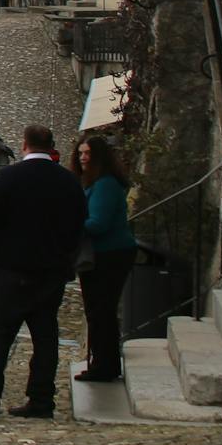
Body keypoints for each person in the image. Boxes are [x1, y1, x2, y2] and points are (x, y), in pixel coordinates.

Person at [0, 124, 87, 420]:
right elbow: (79, 222)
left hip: (11, 269)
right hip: (51, 271)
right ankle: (41, 399)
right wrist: (66, 256)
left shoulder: (8, 178)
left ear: (24, 145)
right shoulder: (68, 182)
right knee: (45, 337)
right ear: (51, 145)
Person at [75, 133, 138, 383]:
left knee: (101, 310)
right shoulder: (96, 183)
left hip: (109, 254)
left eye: (87, 154)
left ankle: (104, 364)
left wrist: (70, 225)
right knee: (99, 310)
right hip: (105, 253)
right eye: (80, 153)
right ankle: (103, 361)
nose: (82, 158)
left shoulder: (105, 184)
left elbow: (98, 223)